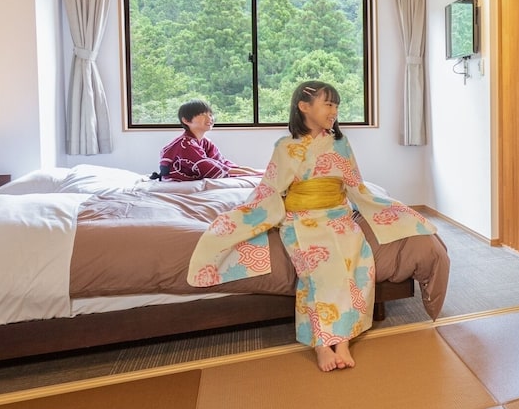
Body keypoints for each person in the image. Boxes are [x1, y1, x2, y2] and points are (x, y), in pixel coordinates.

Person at [188, 81, 438, 372]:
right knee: (319, 271)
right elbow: (270, 189)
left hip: (339, 217)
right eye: (328, 104)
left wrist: (392, 211)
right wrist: (241, 217)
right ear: (304, 107)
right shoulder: (286, 147)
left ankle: (342, 341)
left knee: (359, 265)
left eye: (336, 105)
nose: (334, 110)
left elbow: (355, 184)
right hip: (301, 220)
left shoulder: (340, 143)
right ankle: (322, 344)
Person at [157, 99, 262, 180]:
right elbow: (208, 168)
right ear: (186, 120)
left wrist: (255, 172)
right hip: (176, 181)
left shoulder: (205, 142)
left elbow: (221, 162)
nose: (209, 119)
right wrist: (250, 174)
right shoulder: (185, 144)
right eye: (202, 115)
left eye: (210, 115)